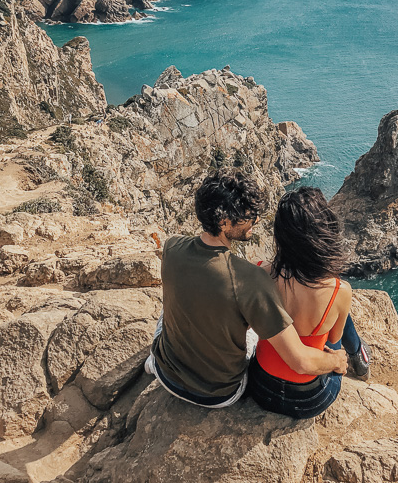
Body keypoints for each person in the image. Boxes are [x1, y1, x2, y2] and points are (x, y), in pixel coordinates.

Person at [144, 169, 347, 408]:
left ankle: (152, 362)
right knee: (250, 330)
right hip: (219, 394)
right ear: (224, 222)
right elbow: (300, 361)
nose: (257, 220)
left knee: (165, 313)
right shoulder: (249, 279)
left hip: (165, 375)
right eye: (249, 215)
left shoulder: (171, 246)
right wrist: (335, 362)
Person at [248, 186, 371, 419]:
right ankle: (358, 355)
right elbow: (334, 340)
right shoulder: (340, 289)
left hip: (261, 388)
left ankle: (358, 352)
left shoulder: (258, 274)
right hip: (309, 399)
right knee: (337, 311)